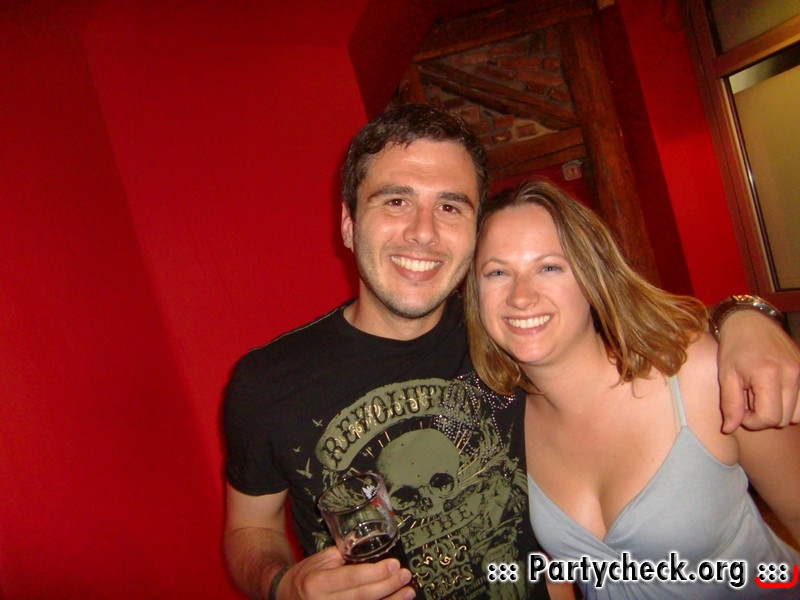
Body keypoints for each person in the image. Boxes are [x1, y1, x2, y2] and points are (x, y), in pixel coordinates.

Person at [222, 104, 800, 600]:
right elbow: (250, 531)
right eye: (395, 201)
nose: (423, 231)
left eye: (450, 206)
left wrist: (745, 317)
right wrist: (282, 585)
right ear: (349, 223)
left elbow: (633, 335)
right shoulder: (268, 382)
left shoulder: (506, 342)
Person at [465, 180, 800, 599]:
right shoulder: (505, 421)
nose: (520, 296)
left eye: (549, 267)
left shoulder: (698, 375)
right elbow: (554, 573)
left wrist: (745, 314)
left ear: (593, 278)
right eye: (497, 272)